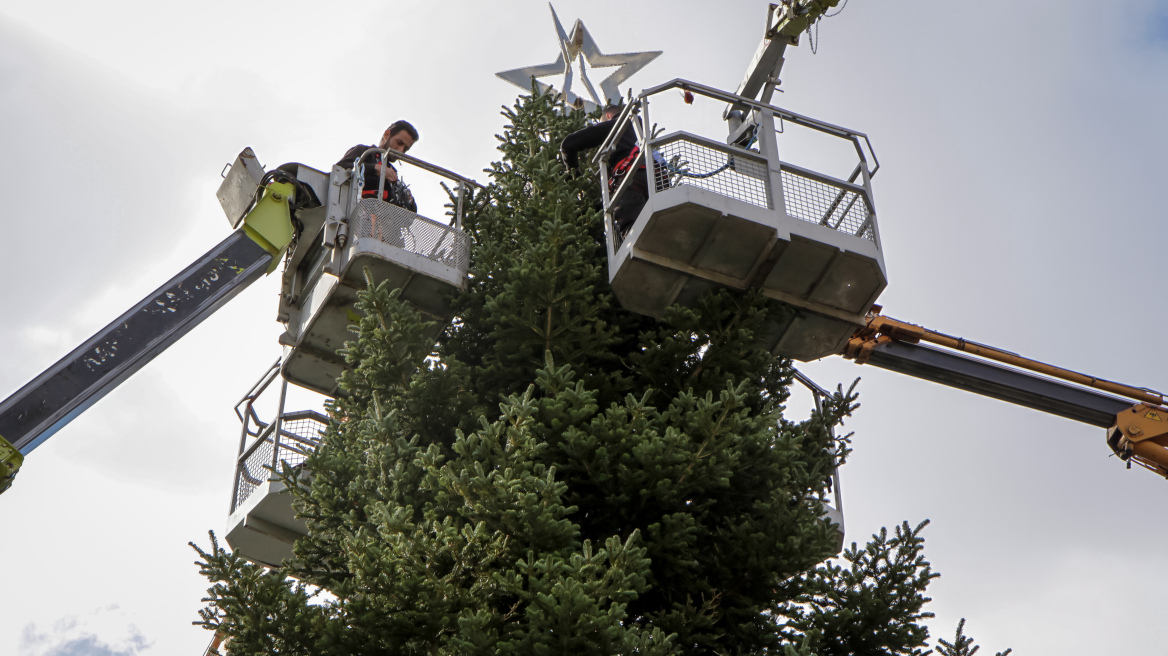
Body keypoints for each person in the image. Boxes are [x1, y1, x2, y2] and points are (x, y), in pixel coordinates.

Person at [560, 102, 651, 239]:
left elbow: (568, 144)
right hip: (655, 179)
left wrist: (574, 175)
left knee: (632, 235)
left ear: (609, 116)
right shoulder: (642, 131)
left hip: (629, 180)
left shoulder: (618, 123)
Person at [337, 120, 420, 212]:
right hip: (349, 215)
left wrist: (408, 200)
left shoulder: (393, 173)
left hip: (376, 224)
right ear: (387, 135)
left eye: (406, 148)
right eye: (399, 143)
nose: (400, 150)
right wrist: (374, 168)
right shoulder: (365, 152)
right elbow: (340, 169)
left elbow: (406, 218)